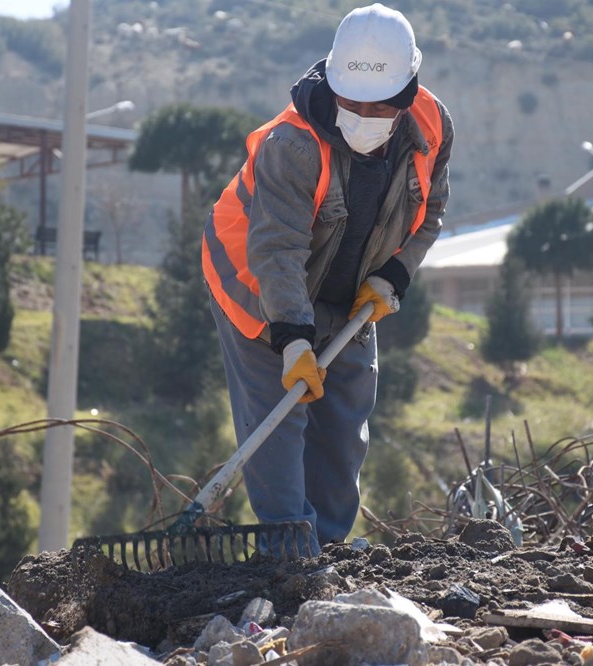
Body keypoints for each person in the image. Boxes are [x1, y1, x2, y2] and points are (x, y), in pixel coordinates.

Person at [202, 3, 454, 555]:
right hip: (256, 281)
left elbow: (430, 212)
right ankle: (288, 557)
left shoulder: (432, 129)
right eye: (351, 100)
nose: (362, 112)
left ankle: (331, 547)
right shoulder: (291, 146)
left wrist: (395, 274)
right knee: (280, 417)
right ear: (333, 83)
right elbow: (277, 250)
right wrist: (292, 337)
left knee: (342, 421)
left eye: (378, 102)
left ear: (408, 92)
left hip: (349, 285)